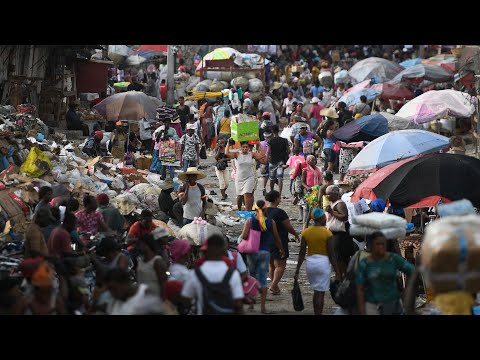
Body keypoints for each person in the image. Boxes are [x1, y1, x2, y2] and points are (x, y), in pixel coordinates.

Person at [181, 234, 244, 315]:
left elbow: (186, 299)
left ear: (205, 252)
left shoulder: (195, 274)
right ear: (224, 251)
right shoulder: (233, 274)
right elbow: (238, 303)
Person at [240, 200, 284, 314]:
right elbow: (277, 238)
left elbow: (244, 236)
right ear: (265, 210)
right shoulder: (271, 222)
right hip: (265, 252)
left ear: (255, 209)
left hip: (252, 252)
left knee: (252, 276)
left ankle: (251, 305)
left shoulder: (250, 221)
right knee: (263, 279)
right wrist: (281, 249)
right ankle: (263, 307)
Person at [356, 231, 415, 315]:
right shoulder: (364, 263)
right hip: (372, 306)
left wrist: (408, 291)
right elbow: (359, 288)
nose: (381, 247)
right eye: (377, 244)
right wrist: (361, 309)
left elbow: (413, 272)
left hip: (393, 304)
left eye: (383, 244)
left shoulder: (393, 259)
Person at [294, 208, 336, 315]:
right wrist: (337, 271)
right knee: (320, 292)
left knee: (315, 290)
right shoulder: (327, 233)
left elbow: (302, 252)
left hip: (311, 263)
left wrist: (297, 270)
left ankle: (315, 312)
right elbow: (331, 254)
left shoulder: (306, 232)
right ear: (322, 218)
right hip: (323, 263)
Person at [265, 190, 300, 295]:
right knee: (280, 265)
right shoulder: (280, 212)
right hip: (279, 240)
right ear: (276, 199)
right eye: (279, 198)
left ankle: (275, 287)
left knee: (272, 265)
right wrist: (296, 234)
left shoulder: (263, 211)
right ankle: (273, 285)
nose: (280, 200)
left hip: (266, 240)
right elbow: (288, 226)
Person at [225, 139, 267, 212]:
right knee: (239, 196)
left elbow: (262, 155)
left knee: (247, 194)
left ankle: (248, 212)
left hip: (249, 177)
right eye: (243, 147)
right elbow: (227, 153)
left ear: (249, 148)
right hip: (239, 178)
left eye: (246, 147)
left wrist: (259, 143)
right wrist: (228, 143)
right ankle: (239, 209)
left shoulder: (252, 154)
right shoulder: (237, 154)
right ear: (241, 147)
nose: (245, 148)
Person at [325, 185, 353, 281]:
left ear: (335, 194)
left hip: (340, 234)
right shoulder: (333, 204)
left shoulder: (340, 204)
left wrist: (332, 212)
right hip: (334, 233)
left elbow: (344, 217)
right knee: (336, 256)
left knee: (339, 256)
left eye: (329, 194)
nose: (327, 196)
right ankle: (340, 274)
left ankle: (342, 275)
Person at [136, 234, 169, 300]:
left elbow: (163, 283)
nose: (139, 247)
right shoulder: (140, 260)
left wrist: (163, 301)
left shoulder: (157, 262)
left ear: (147, 245)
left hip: (155, 300)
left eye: (140, 244)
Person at [265, 124, 290, 195]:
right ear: (278, 130)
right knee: (280, 178)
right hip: (281, 161)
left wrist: (265, 161)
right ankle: (279, 193)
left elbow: (268, 152)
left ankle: (271, 191)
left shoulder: (270, 141)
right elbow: (289, 151)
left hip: (272, 161)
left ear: (272, 131)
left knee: (272, 178)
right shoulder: (284, 140)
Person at [301, 155, 324, 226]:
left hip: (317, 190)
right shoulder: (305, 170)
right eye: (311, 160)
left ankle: (315, 222)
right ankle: (305, 224)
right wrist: (307, 187)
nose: (313, 161)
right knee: (308, 208)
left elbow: (321, 179)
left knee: (316, 206)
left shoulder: (318, 169)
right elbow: (302, 182)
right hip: (309, 191)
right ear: (307, 161)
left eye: (314, 159)